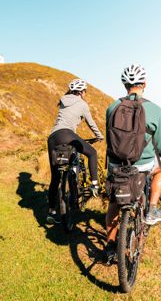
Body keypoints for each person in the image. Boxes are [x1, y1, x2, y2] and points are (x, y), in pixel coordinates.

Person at [105, 64, 161, 258]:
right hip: (142, 166)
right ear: (144, 84)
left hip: (117, 164)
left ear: (125, 84)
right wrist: (160, 153)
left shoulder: (112, 107)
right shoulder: (155, 109)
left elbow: (110, 137)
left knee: (114, 203)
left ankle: (109, 247)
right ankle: (151, 209)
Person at [47, 78, 104, 224]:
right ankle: (94, 184)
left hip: (53, 137)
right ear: (82, 91)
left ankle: (51, 212)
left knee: (55, 177)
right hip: (68, 134)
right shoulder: (82, 104)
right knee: (92, 153)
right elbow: (91, 123)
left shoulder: (63, 101)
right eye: (85, 91)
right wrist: (99, 136)